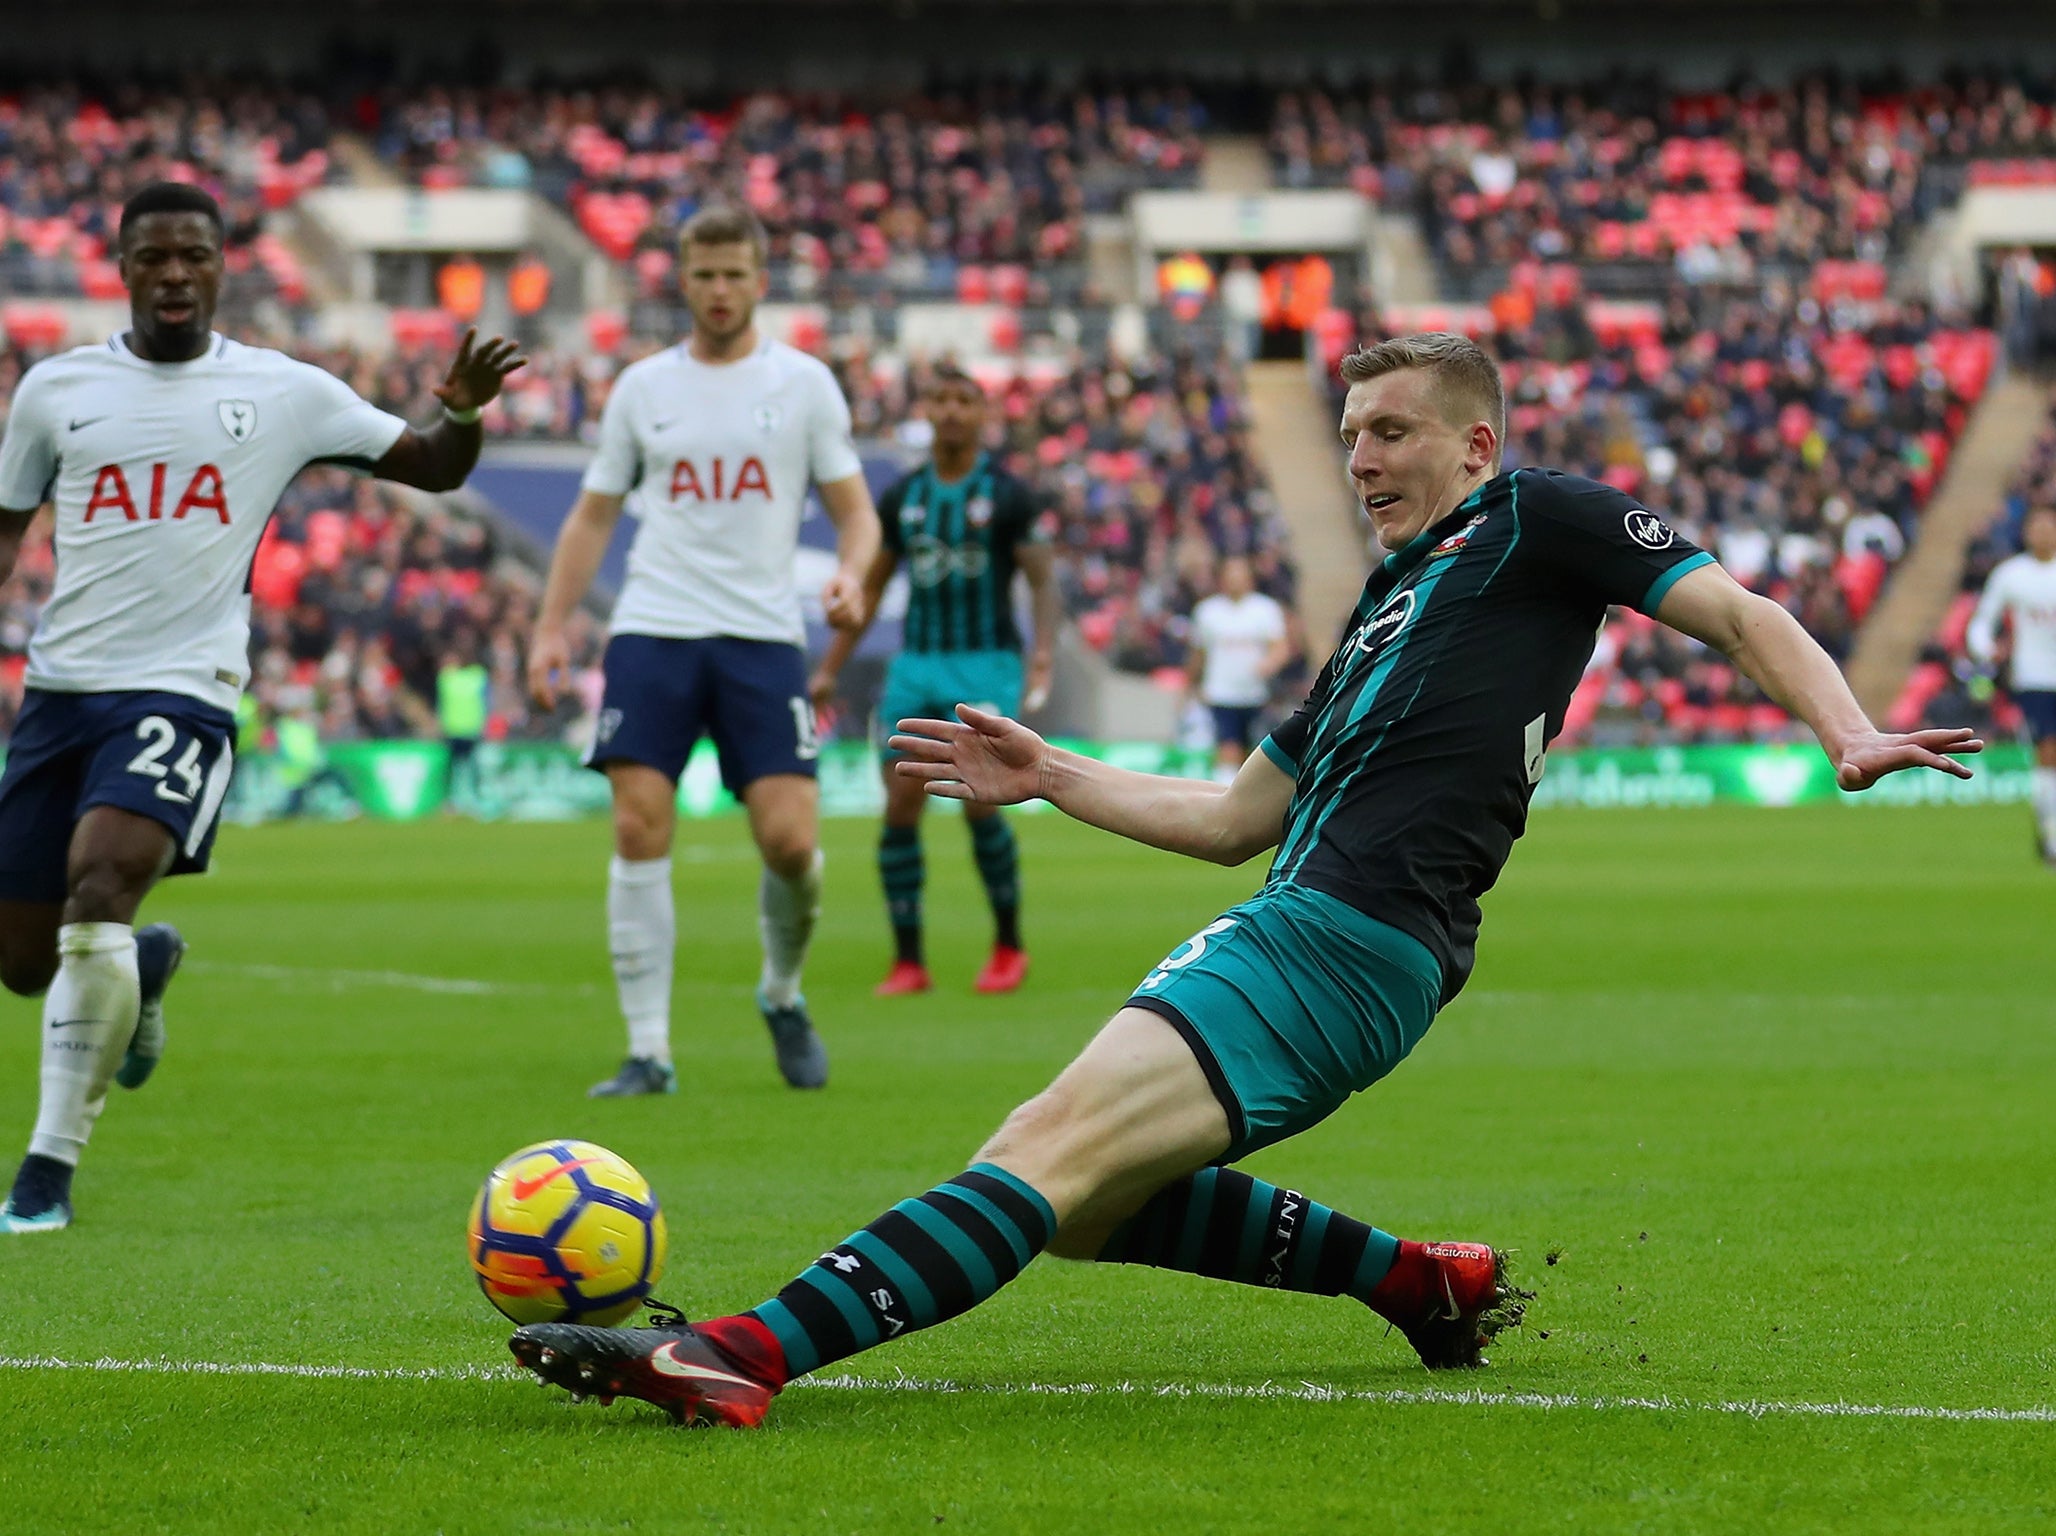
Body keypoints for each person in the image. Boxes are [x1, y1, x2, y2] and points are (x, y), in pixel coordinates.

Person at [502, 332, 1979, 1428]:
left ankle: (740, 1355)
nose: (1362, 458)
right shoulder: (1384, 614)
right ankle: (1420, 1282)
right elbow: (1229, 814)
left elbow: (1736, 610)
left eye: (1394, 431)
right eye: (1349, 433)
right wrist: (1055, 774)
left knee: (1046, 1148)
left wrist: (1844, 727)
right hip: (1310, 922)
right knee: (1080, 1205)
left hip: (1351, 938)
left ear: (1474, 446)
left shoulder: (1537, 517)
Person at [0, 182, 523, 1233]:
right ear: (124, 265)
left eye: (195, 254)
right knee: (22, 964)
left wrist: (460, 410)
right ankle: (142, 974)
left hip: (182, 687)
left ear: (224, 263)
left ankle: (46, 1175)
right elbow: (5, 529)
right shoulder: (55, 392)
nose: (177, 275)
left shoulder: (282, 391)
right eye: (155, 258)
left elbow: (428, 465)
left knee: (101, 886)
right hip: (61, 693)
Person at [526, 205, 881, 1098]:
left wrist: (851, 574)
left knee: (791, 844)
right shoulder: (644, 389)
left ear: (760, 282)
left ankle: (782, 992)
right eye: (704, 274)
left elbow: (857, 513)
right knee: (640, 823)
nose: (719, 290)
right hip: (654, 626)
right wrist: (549, 626)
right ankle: (649, 1051)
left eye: (735, 274)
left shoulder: (803, 385)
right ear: (680, 282)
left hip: (761, 636)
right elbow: (594, 515)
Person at [809, 366, 1058, 998]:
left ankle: (1008, 946)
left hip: (984, 663)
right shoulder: (904, 498)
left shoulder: (1008, 494)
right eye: (939, 400)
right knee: (898, 808)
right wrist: (830, 667)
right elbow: (869, 589)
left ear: (981, 414)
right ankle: (909, 961)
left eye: (963, 401)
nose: (950, 412)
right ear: (926, 410)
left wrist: (1044, 655)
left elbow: (1041, 579)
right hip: (915, 665)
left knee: (980, 803)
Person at [1966, 502, 2056, 861]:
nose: (2043, 533)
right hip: (2034, 680)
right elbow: (1981, 621)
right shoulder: (2011, 575)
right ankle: (2050, 834)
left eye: (2048, 526)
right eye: (2037, 526)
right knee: (2048, 754)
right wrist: (1986, 649)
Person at [1186, 556, 1292, 774]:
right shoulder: (1208, 611)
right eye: (1230, 576)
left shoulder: (1265, 609)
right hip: (1221, 694)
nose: (1235, 581)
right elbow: (1199, 654)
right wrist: (1189, 685)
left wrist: (1269, 664)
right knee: (1227, 749)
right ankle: (1224, 796)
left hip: (1255, 695)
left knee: (1256, 754)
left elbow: (1280, 648)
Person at [438, 633, 491, 812]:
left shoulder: (476, 676)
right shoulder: (448, 677)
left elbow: (486, 702)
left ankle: (474, 800)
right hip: (454, 729)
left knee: (472, 768)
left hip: (471, 728)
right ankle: (453, 802)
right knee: (454, 768)